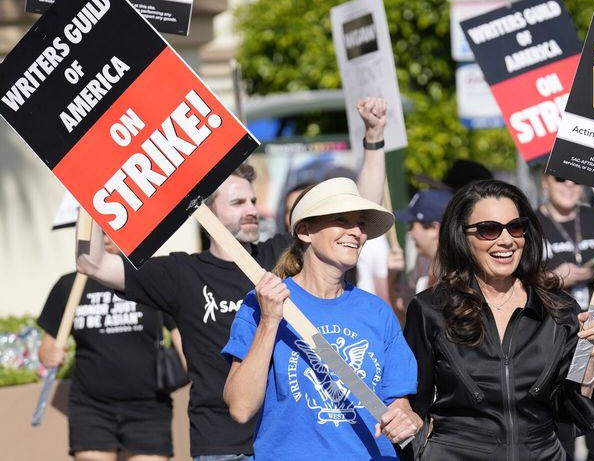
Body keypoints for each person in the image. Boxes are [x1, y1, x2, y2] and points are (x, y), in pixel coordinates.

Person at [77, 97, 390, 459]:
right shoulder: (180, 273)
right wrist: (89, 189)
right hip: (221, 442)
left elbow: (356, 213)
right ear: (206, 213)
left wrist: (374, 137)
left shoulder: (281, 255)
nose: (253, 211)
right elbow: (92, 263)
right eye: (238, 204)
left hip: (286, 442)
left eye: (253, 202)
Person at [404, 179, 594, 459]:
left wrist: (590, 359)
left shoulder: (560, 311)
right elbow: (413, 409)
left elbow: (577, 416)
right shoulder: (431, 309)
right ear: (461, 236)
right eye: (489, 229)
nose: (506, 240)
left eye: (515, 227)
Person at [222, 177, 421, 459]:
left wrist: (405, 417)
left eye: (361, 224)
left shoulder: (377, 313)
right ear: (305, 231)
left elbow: (398, 404)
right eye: (342, 220)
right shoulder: (263, 302)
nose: (356, 232)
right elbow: (240, 408)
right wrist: (269, 322)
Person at [39, 235, 181, 461]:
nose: (103, 237)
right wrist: (50, 354)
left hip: (148, 406)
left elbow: (181, 337)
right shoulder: (68, 285)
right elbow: (46, 350)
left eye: (108, 230)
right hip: (91, 409)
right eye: (97, 231)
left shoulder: (148, 279)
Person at [537, 174, 594, 461]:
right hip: (556, 340)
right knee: (561, 433)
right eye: (560, 178)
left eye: (576, 180)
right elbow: (521, 280)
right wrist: (560, 276)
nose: (569, 185)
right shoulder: (531, 223)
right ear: (545, 181)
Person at [387, 189, 452, 320]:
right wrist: (392, 277)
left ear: (434, 229)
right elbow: (406, 321)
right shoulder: (426, 263)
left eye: (412, 226)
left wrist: (414, 304)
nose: (409, 233)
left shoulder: (457, 274)